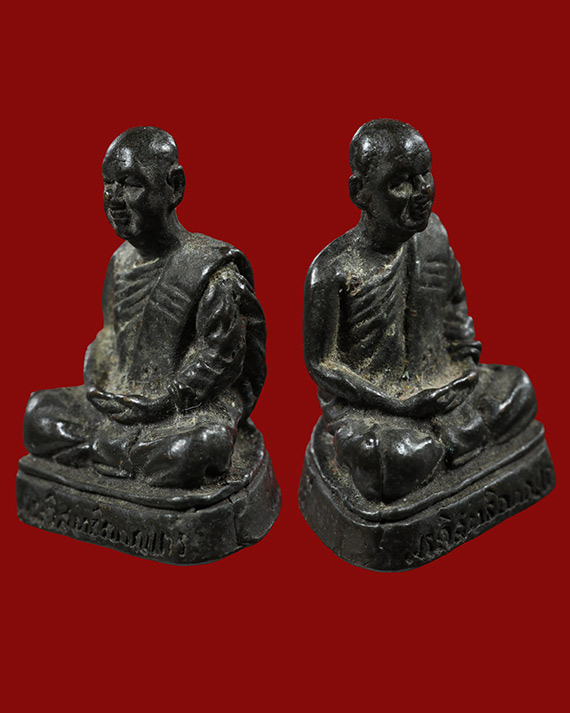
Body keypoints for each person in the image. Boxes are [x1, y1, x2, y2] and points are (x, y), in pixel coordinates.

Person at [303, 119, 536, 502]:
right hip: (373, 405)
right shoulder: (332, 270)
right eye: (400, 183)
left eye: (425, 175)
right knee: (389, 461)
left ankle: (442, 442)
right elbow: (321, 364)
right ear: (360, 192)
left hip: (444, 382)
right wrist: (396, 403)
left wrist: (464, 360)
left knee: (520, 387)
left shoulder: (434, 236)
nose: (422, 192)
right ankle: (443, 441)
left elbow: (454, 304)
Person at [23, 127, 266, 488]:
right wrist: (100, 377)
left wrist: (164, 403)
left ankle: (107, 451)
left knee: (199, 447)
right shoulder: (120, 262)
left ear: (174, 187)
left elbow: (223, 359)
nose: (114, 198)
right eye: (108, 184)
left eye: (130, 184)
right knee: (38, 412)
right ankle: (119, 452)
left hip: (178, 412)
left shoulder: (209, 269)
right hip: (123, 404)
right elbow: (111, 338)